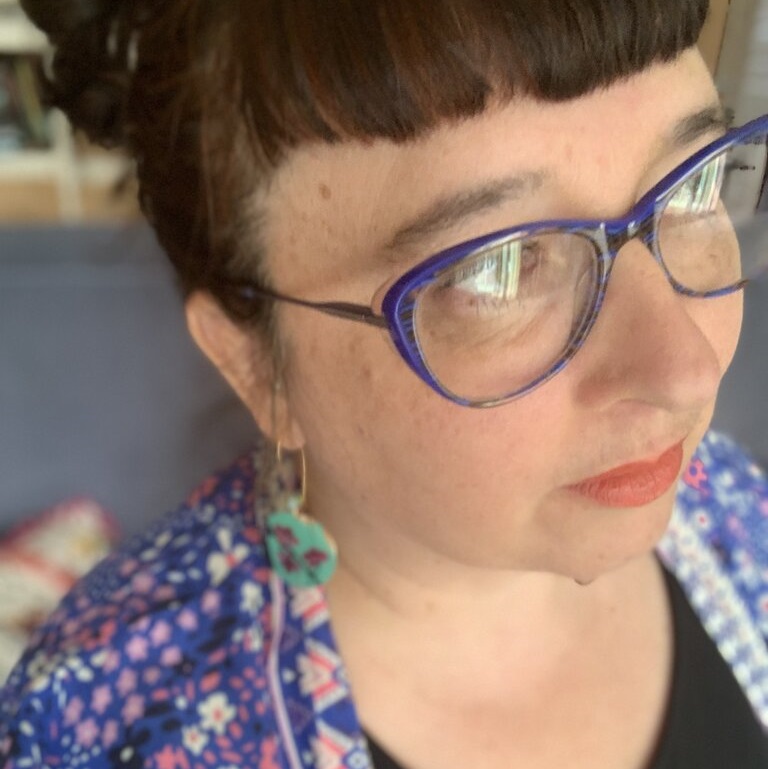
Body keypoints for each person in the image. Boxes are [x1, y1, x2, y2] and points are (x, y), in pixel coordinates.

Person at [2, 0, 768, 767]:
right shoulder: (92, 732)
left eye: (693, 186)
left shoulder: (736, 511)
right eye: (495, 269)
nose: (686, 370)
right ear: (253, 362)